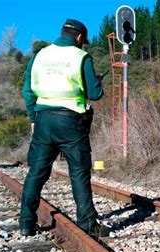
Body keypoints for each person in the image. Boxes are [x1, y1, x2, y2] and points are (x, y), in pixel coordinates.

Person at [19, 19, 104, 238]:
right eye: (82, 41)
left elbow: (28, 91)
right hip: (71, 123)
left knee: (36, 173)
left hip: (43, 119)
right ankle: (87, 225)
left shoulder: (39, 56)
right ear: (78, 38)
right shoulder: (81, 57)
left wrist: (33, 118)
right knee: (78, 173)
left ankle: (26, 224)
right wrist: (96, 81)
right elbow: (94, 94)